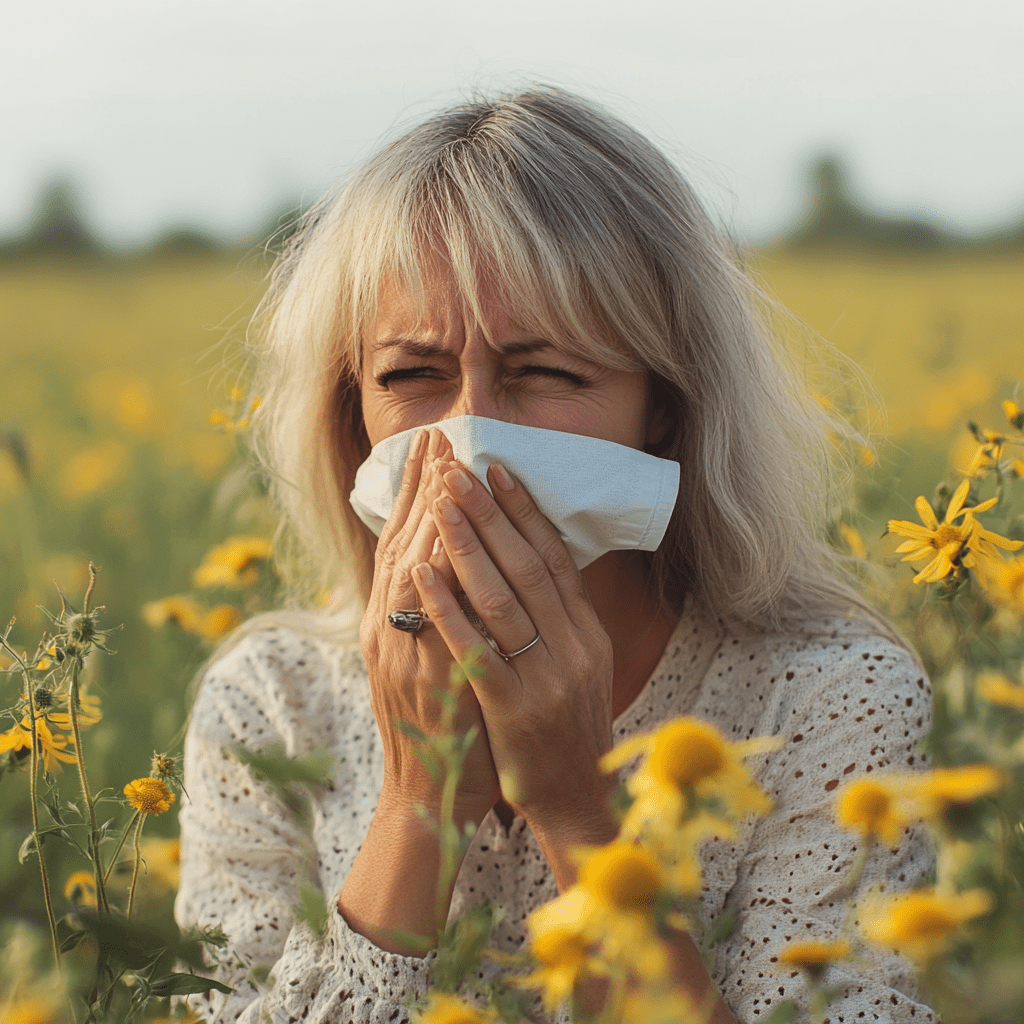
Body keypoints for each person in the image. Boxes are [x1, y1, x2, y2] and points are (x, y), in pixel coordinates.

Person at [175, 86, 934, 1023]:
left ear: (664, 406)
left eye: (545, 372)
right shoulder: (271, 705)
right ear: (350, 412)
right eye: (414, 374)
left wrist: (579, 812)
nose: (472, 435)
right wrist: (420, 802)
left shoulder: (829, 698)